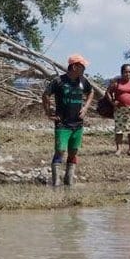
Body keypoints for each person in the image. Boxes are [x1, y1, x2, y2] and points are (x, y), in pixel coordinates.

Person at [42, 54, 94, 186]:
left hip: (78, 124)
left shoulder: (83, 81)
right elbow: (46, 95)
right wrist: (48, 112)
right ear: (75, 66)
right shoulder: (59, 81)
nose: (84, 68)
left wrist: (86, 107)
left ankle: (69, 180)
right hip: (62, 124)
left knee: (73, 151)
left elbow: (91, 92)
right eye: (82, 66)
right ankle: (56, 182)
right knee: (60, 150)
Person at [106, 63, 130, 156]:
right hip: (119, 110)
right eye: (125, 72)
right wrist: (112, 101)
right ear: (121, 73)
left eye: (129, 72)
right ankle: (119, 149)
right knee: (119, 130)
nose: (127, 74)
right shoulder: (117, 83)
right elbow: (108, 92)